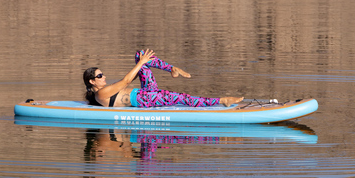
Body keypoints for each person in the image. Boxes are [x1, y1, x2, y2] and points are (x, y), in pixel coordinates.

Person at [83, 49, 243, 108]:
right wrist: (141, 64)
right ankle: (223, 100)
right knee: (183, 98)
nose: (104, 77)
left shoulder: (102, 91)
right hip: (144, 99)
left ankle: (172, 69)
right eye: (99, 75)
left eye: (102, 74)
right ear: (92, 81)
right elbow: (126, 81)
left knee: (140, 53)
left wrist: (141, 61)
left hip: (146, 92)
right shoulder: (101, 94)